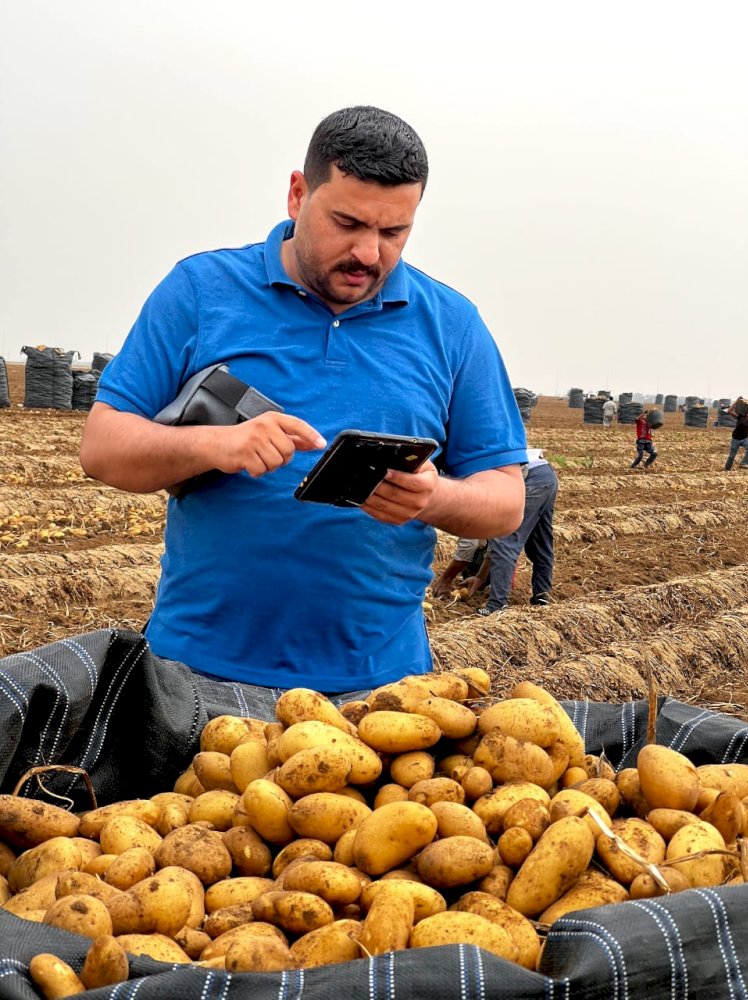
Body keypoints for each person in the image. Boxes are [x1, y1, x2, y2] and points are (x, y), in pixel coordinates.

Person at [79, 106, 528, 699]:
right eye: (347, 223)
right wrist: (214, 444)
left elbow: (506, 499)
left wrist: (434, 496)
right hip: (193, 676)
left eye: (393, 232)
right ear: (297, 194)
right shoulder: (200, 290)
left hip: (381, 691)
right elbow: (102, 449)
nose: (368, 253)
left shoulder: (453, 324)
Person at [476, 449, 558, 615]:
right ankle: (541, 595)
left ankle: (497, 605)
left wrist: (478, 575)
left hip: (531, 479)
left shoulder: (468, 472)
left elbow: (490, 535)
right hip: (546, 473)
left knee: (504, 540)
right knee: (540, 540)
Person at [724, 400, 748, 471]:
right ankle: (727, 469)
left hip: (744, 439)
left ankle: (743, 463)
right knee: (732, 456)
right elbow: (729, 411)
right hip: (735, 439)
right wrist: (736, 402)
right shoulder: (740, 417)